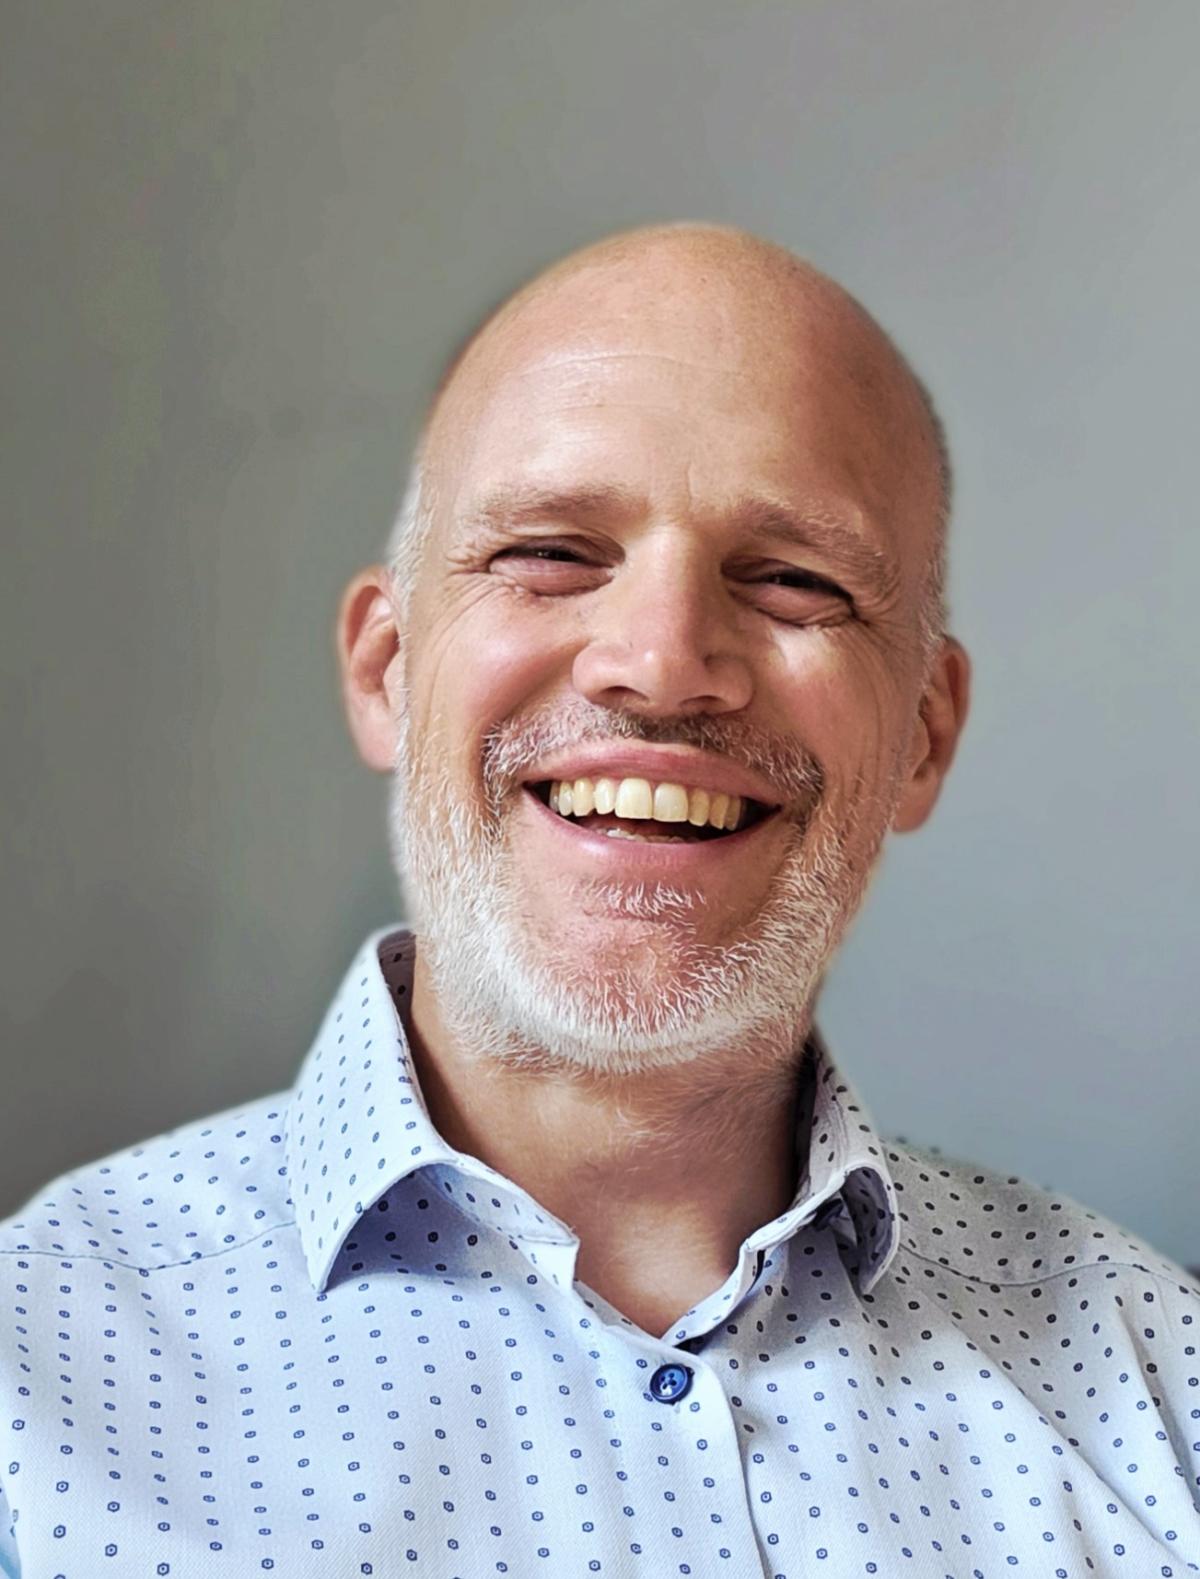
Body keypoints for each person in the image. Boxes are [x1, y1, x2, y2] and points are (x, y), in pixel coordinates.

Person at [1, 223, 1196, 1578]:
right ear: (388, 671)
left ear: (924, 733)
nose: (662, 662)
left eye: (794, 580)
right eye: (554, 552)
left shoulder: (1162, 1382)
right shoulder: (33, 1385)